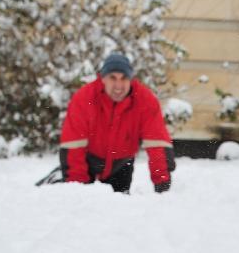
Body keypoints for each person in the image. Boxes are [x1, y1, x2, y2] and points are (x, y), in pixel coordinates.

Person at [59, 53, 175, 194]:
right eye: (113, 78)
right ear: (103, 79)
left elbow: (157, 144)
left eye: (124, 78)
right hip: (87, 160)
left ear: (131, 79)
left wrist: (162, 185)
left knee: (119, 208)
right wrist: (76, 188)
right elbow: (73, 146)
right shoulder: (84, 98)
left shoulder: (145, 101)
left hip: (121, 165)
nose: (118, 85)